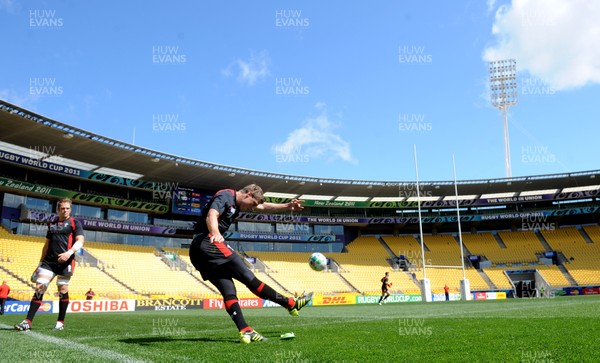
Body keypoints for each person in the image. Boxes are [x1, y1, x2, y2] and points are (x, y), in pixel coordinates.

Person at [189, 184, 313, 344]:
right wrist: (216, 233)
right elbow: (212, 214)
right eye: (253, 204)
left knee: (228, 290)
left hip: (198, 252)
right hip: (209, 241)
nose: (253, 208)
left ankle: (244, 330)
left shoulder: (238, 203)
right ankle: (290, 303)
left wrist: (287, 206)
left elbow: (263, 206)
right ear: (248, 194)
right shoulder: (226, 195)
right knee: (249, 278)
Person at [15, 198, 84, 331]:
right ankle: (28, 321)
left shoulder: (75, 223)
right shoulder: (51, 223)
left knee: (62, 290)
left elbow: (80, 240)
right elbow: (46, 244)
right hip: (49, 262)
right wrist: (40, 263)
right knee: (40, 287)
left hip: (66, 261)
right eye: (63, 208)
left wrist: (69, 253)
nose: (65, 210)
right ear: (58, 209)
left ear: (70, 209)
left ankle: (60, 323)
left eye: (67, 208)